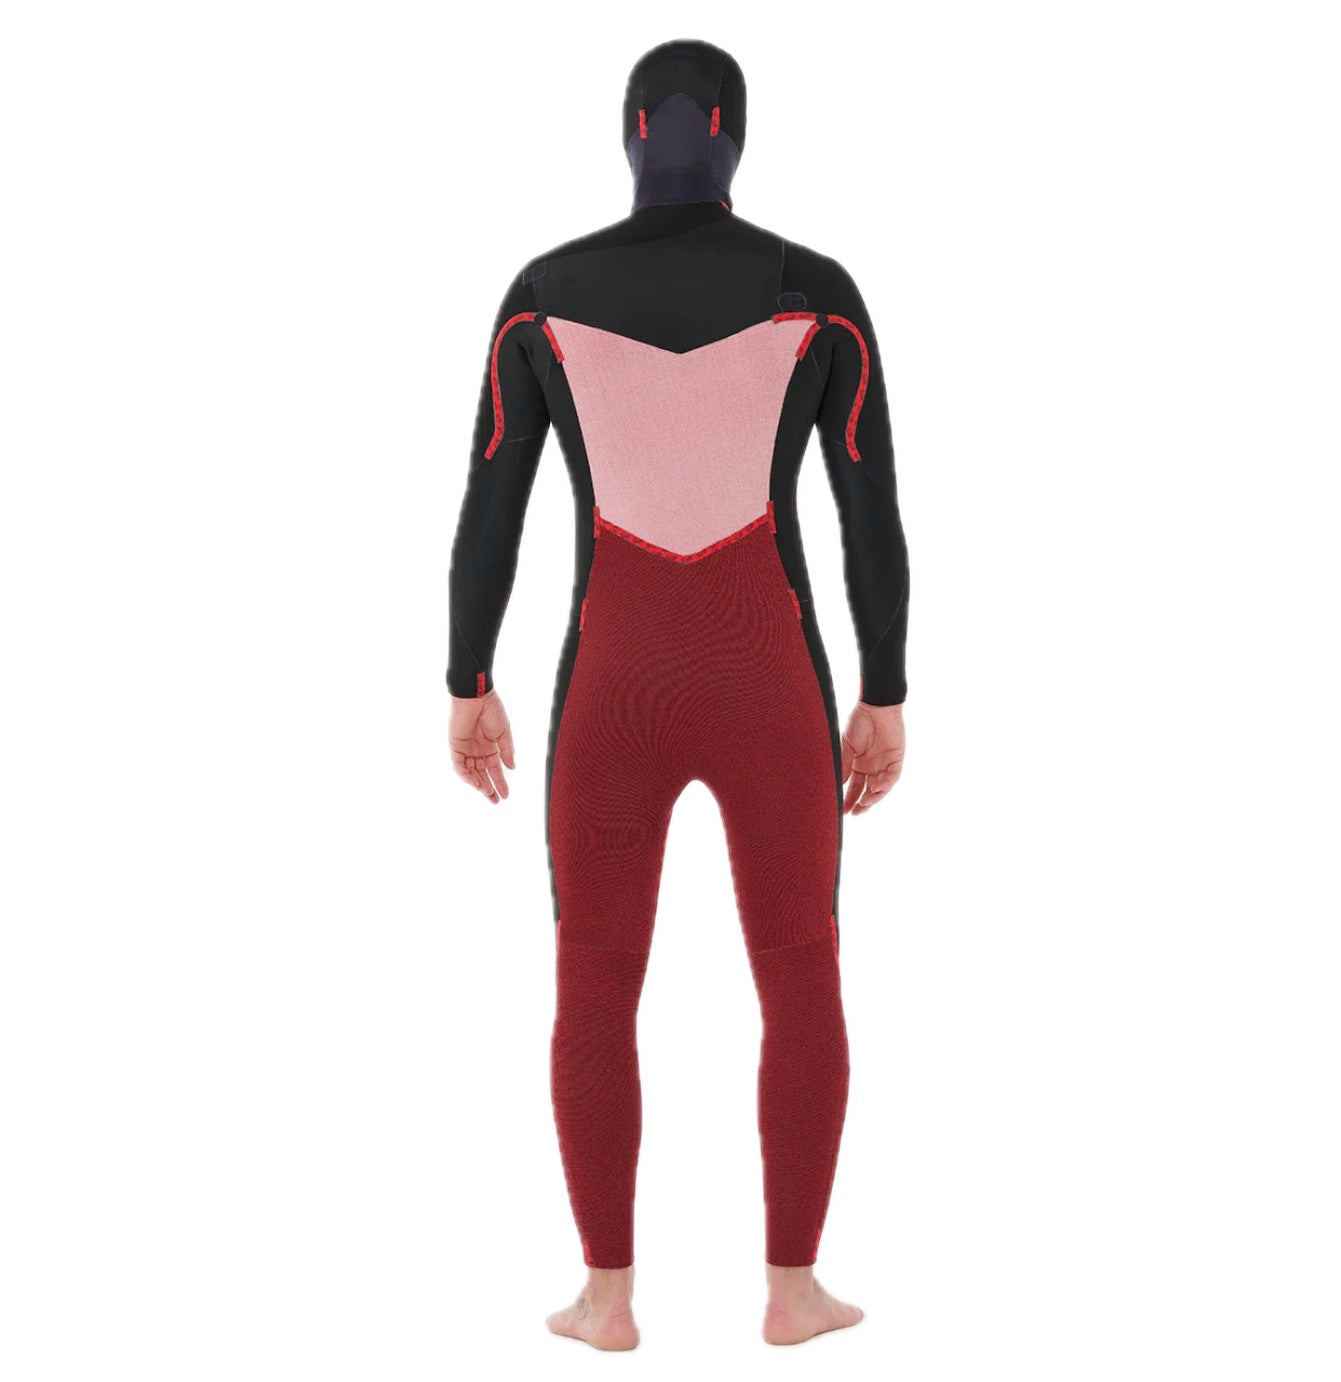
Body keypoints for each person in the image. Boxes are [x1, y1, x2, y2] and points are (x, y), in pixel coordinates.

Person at [447, 38, 909, 1349]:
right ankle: (793, 1292)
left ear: (634, 130)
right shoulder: (819, 295)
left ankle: (606, 1300)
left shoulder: (544, 296)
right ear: (734, 134)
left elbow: (492, 502)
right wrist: (883, 689)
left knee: (594, 977)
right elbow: (870, 510)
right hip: (771, 678)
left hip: (614, 684)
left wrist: (468, 675)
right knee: (801, 966)